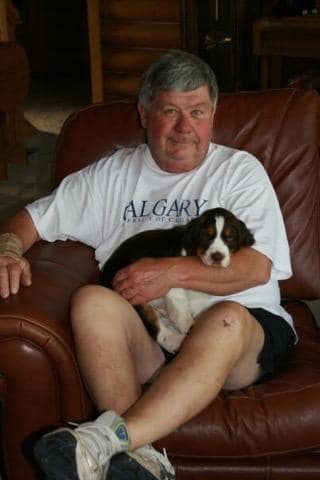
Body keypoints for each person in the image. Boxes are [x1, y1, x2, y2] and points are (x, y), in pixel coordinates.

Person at [0, 50, 297, 480]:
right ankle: (142, 463)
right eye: (170, 111)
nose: (184, 127)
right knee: (90, 301)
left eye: (197, 112)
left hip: (239, 336)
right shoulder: (111, 176)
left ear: (213, 114)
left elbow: (256, 268)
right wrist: (8, 248)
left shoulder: (239, 172)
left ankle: (106, 442)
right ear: (143, 113)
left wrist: (172, 272)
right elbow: (30, 220)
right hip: (153, 340)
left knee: (226, 318)